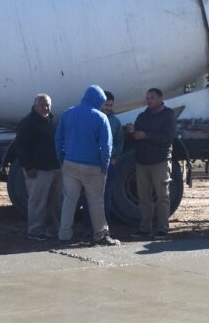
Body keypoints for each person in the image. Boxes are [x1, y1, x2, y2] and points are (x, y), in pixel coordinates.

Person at [54, 84, 119, 246]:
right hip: (93, 167)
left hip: (70, 164)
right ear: (98, 100)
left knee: (69, 200)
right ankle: (101, 234)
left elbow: (58, 139)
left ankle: (64, 234)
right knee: (96, 201)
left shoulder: (68, 113)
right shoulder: (101, 117)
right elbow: (106, 146)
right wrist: (104, 166)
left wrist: (62, 158)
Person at [128, 87, 176, 238]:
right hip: (142, 162)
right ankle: (145, 228)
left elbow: (167, 138)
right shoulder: (142, 116)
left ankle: (162, 228)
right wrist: (131, 132)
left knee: (162, 196)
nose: (149, 100)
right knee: (144, 198)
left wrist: (146, 136)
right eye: (148, 98)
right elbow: (135, 137)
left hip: (160, 162)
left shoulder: (168, 116)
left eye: (152, 97)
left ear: (160, 99)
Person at [15, 93, 62, 241]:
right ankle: (35, 231)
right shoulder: (27, 123)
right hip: (38, 170)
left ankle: (54, 230)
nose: (45, 108)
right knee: (37, 201)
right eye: (42, 105)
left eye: (48, 105)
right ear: (35, 106)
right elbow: (21, 147)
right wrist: (28, 167)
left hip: (55, 168)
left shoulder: (52, 122)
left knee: (56, 201)